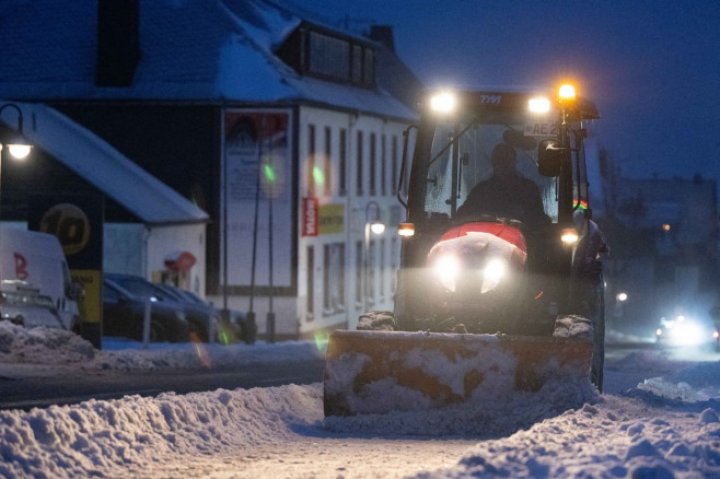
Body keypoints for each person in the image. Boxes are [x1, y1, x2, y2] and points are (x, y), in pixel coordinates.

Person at [456, 143, 549, 228]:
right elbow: (462, 217)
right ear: (493, 162)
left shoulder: (529, 190)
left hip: (522, 241)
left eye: (506, 159)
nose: (503, 164)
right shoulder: (481, 191)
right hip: (485, 241)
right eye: (499, 159)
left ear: (514, 161)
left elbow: (538, 220)